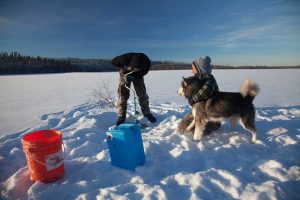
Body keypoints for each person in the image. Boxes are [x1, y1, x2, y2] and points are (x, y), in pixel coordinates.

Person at [177, 56, 221, 135]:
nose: (192, 71)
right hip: (200, 110)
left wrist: (193, 99)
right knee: (182, 126)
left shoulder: (209, 79)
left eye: (193, 68)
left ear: (200, 69)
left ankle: (214, 125)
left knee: (195, 131)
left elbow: (204, 92)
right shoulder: (200, 78)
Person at [112, 52, 157, 125]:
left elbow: (143, 72)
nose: (135, 70)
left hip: (138, 76)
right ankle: (121, 115)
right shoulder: (124, 58)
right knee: (123, 94)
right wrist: (123, 67)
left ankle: (147, 113)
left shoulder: (146, 64)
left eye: (137, 69)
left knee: (142, 94)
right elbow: (113, 62)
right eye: (134, 68)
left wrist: (136, 75)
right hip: (125, 73)